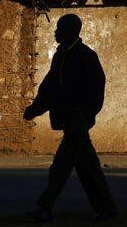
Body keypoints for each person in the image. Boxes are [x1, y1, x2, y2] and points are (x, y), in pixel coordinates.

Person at [23, 14, 118, 222]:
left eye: (59, 28)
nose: (55, 32)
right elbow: (50, 89)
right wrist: (35, 109)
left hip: (78, 122)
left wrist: (84, 116)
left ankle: (44, 207)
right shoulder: (61, 57)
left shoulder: (86, 56)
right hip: (69, 121)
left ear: (70, 31)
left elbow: (96, 90)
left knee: (60, 167)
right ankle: (107, 208)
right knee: (88, 168)